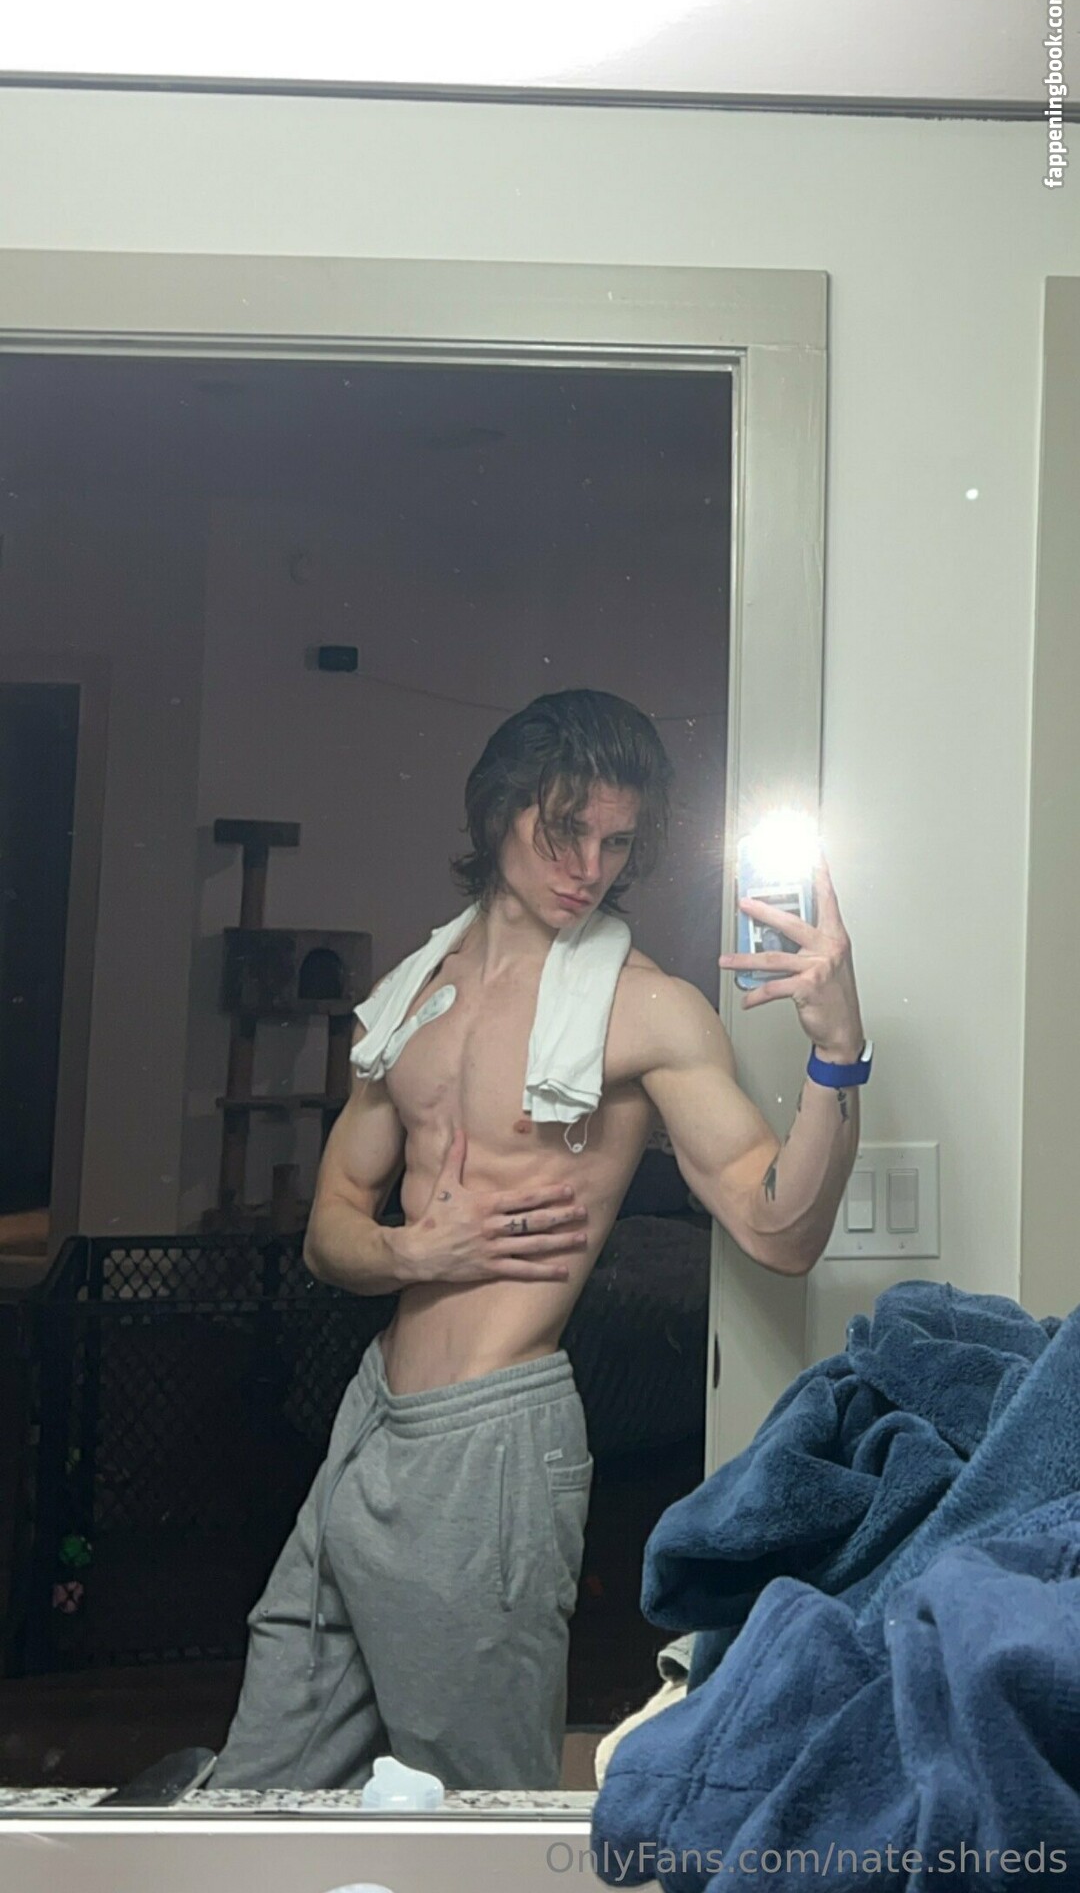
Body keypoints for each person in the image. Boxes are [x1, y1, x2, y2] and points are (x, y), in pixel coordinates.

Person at [213, 688, 869, 1792]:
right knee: (259, 1783)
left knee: (480, 1797)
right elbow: (329, 1229)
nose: (590, 868)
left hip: (491, 1440)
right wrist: (417, 1254)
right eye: (565, 832)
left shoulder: (644, 1009)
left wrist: (838, 1051)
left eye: (616, 843)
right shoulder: (414, 994)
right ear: (498, 812)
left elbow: (780, 1230)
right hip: (368, 1421)